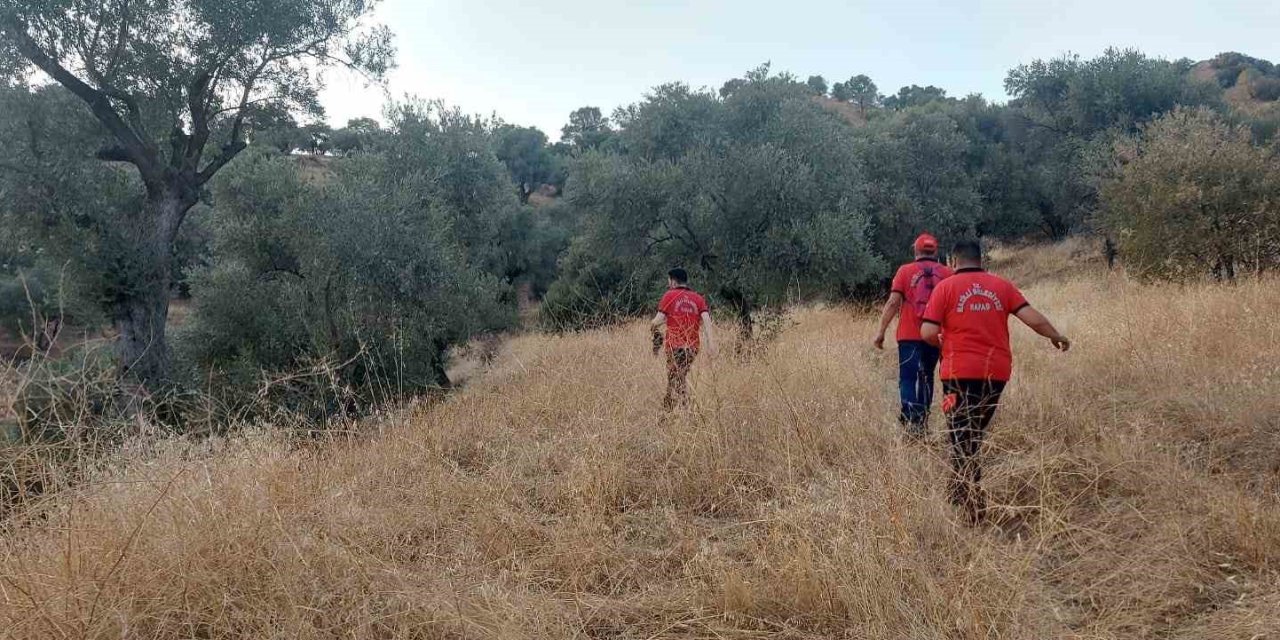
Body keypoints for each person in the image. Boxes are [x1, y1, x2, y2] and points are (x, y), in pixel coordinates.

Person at [920, 239, 1070, 524]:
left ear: (953, 261)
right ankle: (958, 489)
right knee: (972, 432)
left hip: (957, 372)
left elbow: (927, 330)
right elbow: (1031, 317)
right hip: (996, 373)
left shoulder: (945, 288)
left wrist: (942, 342)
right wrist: (1055, 335)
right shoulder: (1002, 286)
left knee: (963, 437)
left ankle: (974, 508)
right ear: (980, 259)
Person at [873, 233, 953, 436]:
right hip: (935, 335)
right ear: (935, 251)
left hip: (909, 335)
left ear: (915, 250)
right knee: (927, 377)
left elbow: (893, 302)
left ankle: (910, 421)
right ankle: (922, 421)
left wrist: (881, 332)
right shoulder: (947, 273)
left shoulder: (905, 271)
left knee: (908, 378)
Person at [650, 268, 715, 410]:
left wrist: (653, 328)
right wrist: (711, 345)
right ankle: (672, 409)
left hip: (674, 346)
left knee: (676, 377)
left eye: (669, 281)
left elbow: (658, 320)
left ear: (673, 281)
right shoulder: (698, 298)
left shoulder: (670, 295)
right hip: (692, 347)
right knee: (678, 376)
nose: (668, 284)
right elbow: (707, 320)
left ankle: (683, 409)